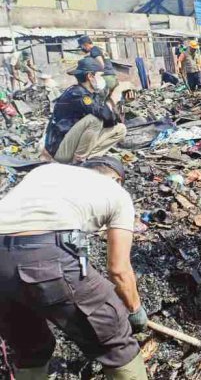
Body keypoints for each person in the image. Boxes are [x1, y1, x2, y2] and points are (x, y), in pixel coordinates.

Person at [0, 158, 148, 380]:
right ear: (117, 179)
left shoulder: (47, 172)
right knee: (116, 343)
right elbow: (118, 269)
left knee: (30, 348)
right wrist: (135, 311)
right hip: (47, 257)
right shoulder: (118, 194)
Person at [42, 57, 126, 164]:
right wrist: (112, 100)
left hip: (73, 144)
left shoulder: (91, 95)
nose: (103, 79)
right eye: (100, 76)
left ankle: (90, 159)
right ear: (90, 76)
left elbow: (109, 120)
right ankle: (78, 161)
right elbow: (102, 115)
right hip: (61, 149)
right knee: (94, 120)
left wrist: (115, 105)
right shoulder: (77, 94)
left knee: (120, 129)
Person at [78, 36, 118, 101]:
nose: (82, 49)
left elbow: (101, 65)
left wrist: (93, 74)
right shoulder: (100, 49)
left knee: (99, 101)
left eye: (82, 46)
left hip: (105, 78)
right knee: (108, 102)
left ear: (86, 44)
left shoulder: (94, 50)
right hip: (112, 77)